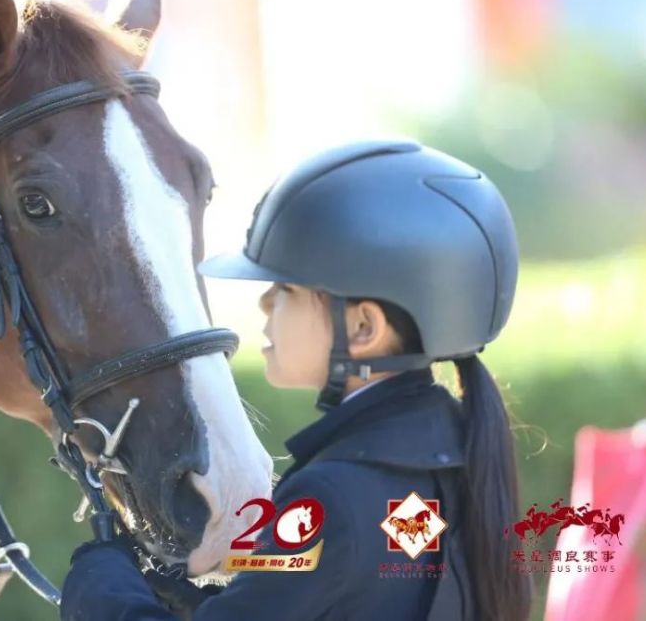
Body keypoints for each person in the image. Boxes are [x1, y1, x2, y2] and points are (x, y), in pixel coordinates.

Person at [59, 139, 533, 621]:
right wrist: (172, 585)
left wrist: (99, 581)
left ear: (363, 329)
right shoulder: (446, 465)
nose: (265, 304)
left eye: (285, 288)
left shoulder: (328, 502)